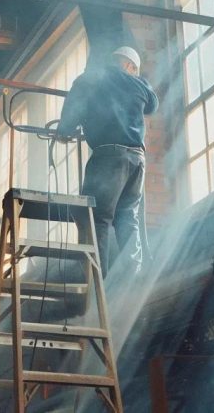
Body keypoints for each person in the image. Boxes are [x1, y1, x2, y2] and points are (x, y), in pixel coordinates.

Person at [56, 46, 158, 277]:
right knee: (127, 217)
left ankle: (96, 279)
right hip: (136, 160)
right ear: (130, 65)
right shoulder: (138, 84)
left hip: (107, 158)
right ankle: (134, 276)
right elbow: (153, 104)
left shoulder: (90, 79)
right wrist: (137, 82)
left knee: (95, 217)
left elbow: (74, 108)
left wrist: (64, 131)